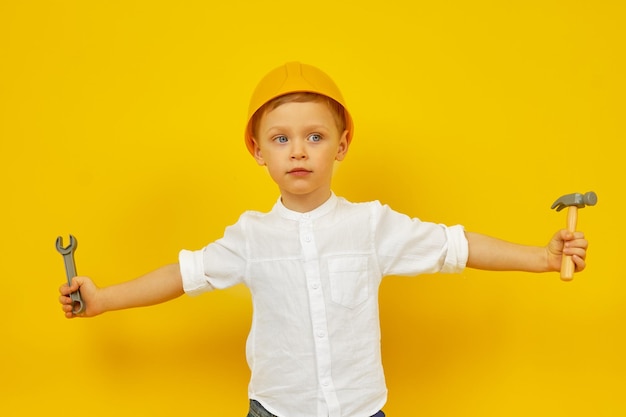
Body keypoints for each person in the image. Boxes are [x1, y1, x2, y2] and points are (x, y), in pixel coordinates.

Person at [59, 62, 589, 417]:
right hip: (275, 409)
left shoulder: (371, 225)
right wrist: (103, 300)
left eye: (315, 136)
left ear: (341, 146)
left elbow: (457, 246)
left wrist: (541, 258)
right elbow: (181, 274)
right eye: (280, 138)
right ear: (257, 150)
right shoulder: (250, 236)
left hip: (360, 408)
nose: (298, 151)